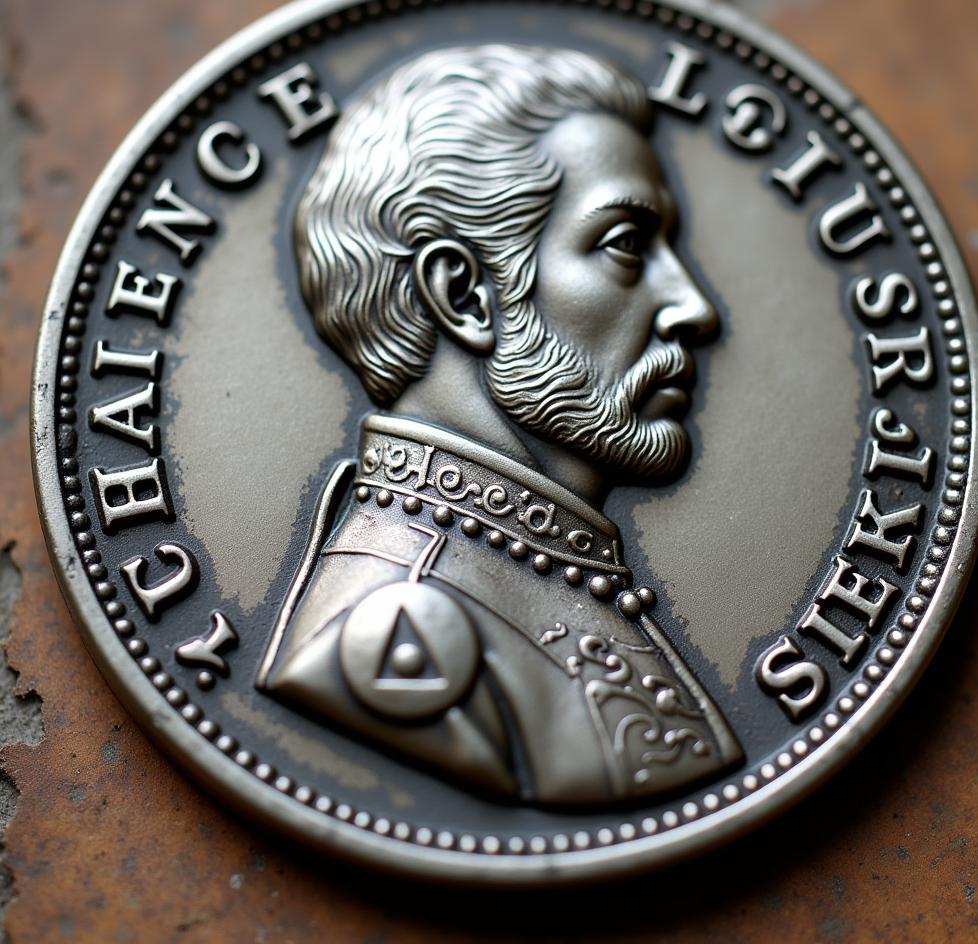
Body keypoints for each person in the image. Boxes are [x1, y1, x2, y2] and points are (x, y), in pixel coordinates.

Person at [257, 44, 741, 804]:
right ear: (466, 296)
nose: (694, 308)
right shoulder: (391, 622)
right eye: (625, 247)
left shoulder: (541, 565)